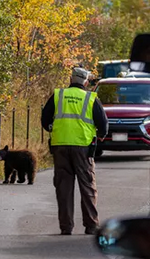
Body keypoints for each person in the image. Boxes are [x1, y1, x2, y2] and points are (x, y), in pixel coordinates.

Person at [41, 67, 108, 235]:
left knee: (63, 188)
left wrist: (52, 128)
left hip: (60, 147)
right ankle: (91, 226)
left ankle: (66, 227)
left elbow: (45, 118)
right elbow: (103, 124)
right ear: (86, 82)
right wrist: (100, 135)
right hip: (83, 148)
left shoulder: (58, 95)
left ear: (71, 79)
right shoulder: (91, 98)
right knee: (87, 187)